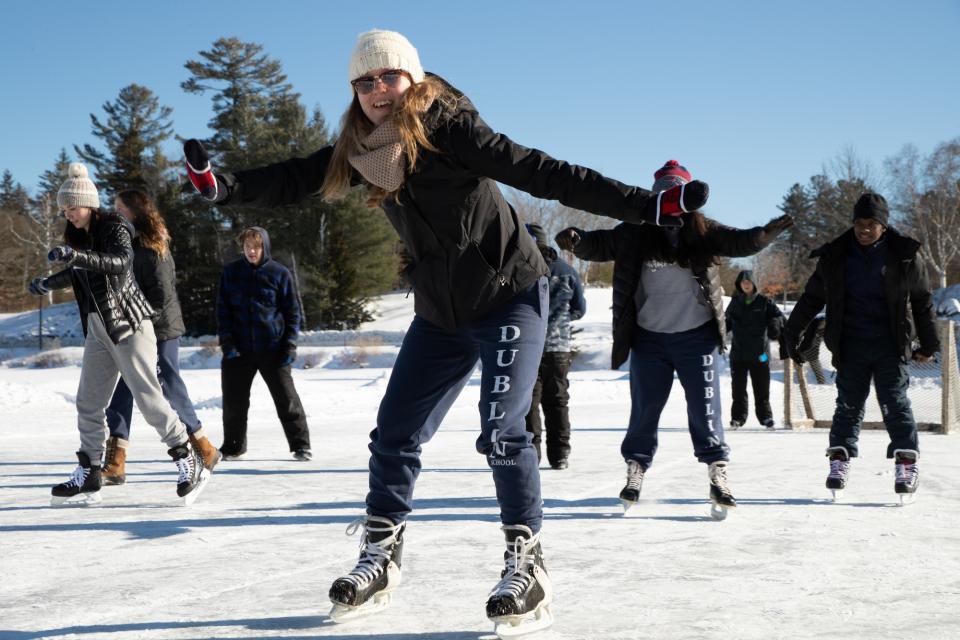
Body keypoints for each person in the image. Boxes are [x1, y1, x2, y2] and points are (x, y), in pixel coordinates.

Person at [182, 30, 709, 632]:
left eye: (387, 77)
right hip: (441, 310)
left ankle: (527, 564)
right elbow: (296, 176)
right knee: (395, 432)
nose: (377, 90)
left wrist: (648, 206)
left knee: (503, 430)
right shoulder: (362, 147)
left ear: (411, 78)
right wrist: (223, 187)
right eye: (363, 81)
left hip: (510, 294)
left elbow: (538, 170)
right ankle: (381, 553)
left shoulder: (448, 127)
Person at [556, 160, 793, 519]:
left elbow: (739, 241)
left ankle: (717, 472)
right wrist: (577, 239)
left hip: (696, 339)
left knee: (705, 410)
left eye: (676, 195)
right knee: (645, 409)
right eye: (662, 196)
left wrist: (764, 234)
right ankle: (635, 469)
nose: (670, 203)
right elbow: (599, 244)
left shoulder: (704, 231)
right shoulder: (635, 232)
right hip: (650, 340)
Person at [26, 163, 208, 506]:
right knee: (89, 401)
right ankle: (90, 471)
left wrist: (76, 255)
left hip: (129, 324)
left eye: (73, 208)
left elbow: (119, 262)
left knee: (148, 398)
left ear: (89, 204)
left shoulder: (115, 226)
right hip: (98, 327)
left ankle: (188, 458)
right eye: (64, 209)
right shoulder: (78, 234)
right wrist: (48, 282)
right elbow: (79, 271)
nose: (69, 214)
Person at [784, 193, 938, 500]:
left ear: (883, 225)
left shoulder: (904, 255)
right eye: (858, 223)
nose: (863, 229)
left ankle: (906, 462)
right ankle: (839, 460)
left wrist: (929, 340)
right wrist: (791, 331)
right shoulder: (836, 256)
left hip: (890, 344)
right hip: (850, 343)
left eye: (871, 224)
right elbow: (813, 297)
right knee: (848, 404)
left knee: (894, 402)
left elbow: (921, 300)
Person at [100, 189, 221, 485]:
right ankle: (116, 460)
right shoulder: (124, 244)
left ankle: (203, 446)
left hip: (161, 327)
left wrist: (139, 319)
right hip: (134, 327)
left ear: (135, 212)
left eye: (120, 208)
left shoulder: (154, 246)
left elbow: (162, 295)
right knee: (125, 389)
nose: (115, 213)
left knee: (167, 381)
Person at [216, 226, 312, 462]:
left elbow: (293, 313)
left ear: (264, 247)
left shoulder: (279, 273)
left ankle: (301, 446)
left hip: (273, 349)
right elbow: (222, 312)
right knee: (234, 403)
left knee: (287, 400)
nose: (251, 250)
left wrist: (289, 345)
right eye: (247, 246)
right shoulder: (231, 273)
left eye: (256, 246)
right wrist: (228, 344)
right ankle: (233, 446)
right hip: (238, 351)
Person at [523, 223, 586, 470]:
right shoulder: (567, 270)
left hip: (529, 346)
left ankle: (531, 454)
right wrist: (561, 320)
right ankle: (560, 454)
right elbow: (579, 309)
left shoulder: (523, 266)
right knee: (558, 400)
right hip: (559, 347)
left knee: (529, 402)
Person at [724, 270, 784, 430]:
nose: (746, 284)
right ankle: (737, 418)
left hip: (760, 355)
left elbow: (778, 316)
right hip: (738, 355)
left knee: (762, 388)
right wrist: (718, 334)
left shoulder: (764, 302)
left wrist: (774, 325)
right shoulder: (735, 302)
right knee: (738, 390)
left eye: (748, 281)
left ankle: (766, 418)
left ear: (754, 283)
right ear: (739, 284)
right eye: (743, 281)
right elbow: (725, 322)